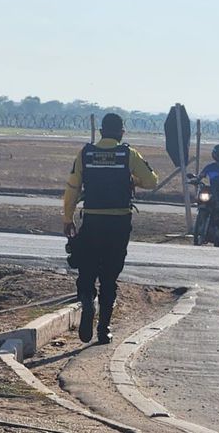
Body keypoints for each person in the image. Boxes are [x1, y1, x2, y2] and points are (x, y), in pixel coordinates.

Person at [63, 113, 158, 345]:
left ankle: (87, 300)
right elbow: (152, 181)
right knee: (109, 277)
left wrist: (68, 218)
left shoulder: (85, 153)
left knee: (87, 270)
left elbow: (72, 188)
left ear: (102, 131)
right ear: (121, 132)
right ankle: (103, 330)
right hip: (118, 224)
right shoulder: (128, 154)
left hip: (92, 221)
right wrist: (132, 180)